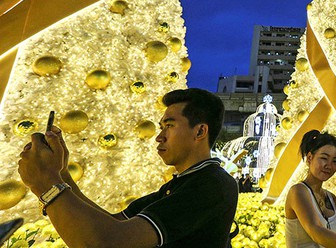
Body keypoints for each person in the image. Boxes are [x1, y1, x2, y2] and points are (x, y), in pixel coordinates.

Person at [18, 88, 239, 248]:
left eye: (169, 126)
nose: (159, 137)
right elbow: (112, 223)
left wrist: (46, 183)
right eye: (161, 127)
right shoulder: (181, 184)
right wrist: (61, 173)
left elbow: (107, 243)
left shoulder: (212, 185)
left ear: (200, 132)